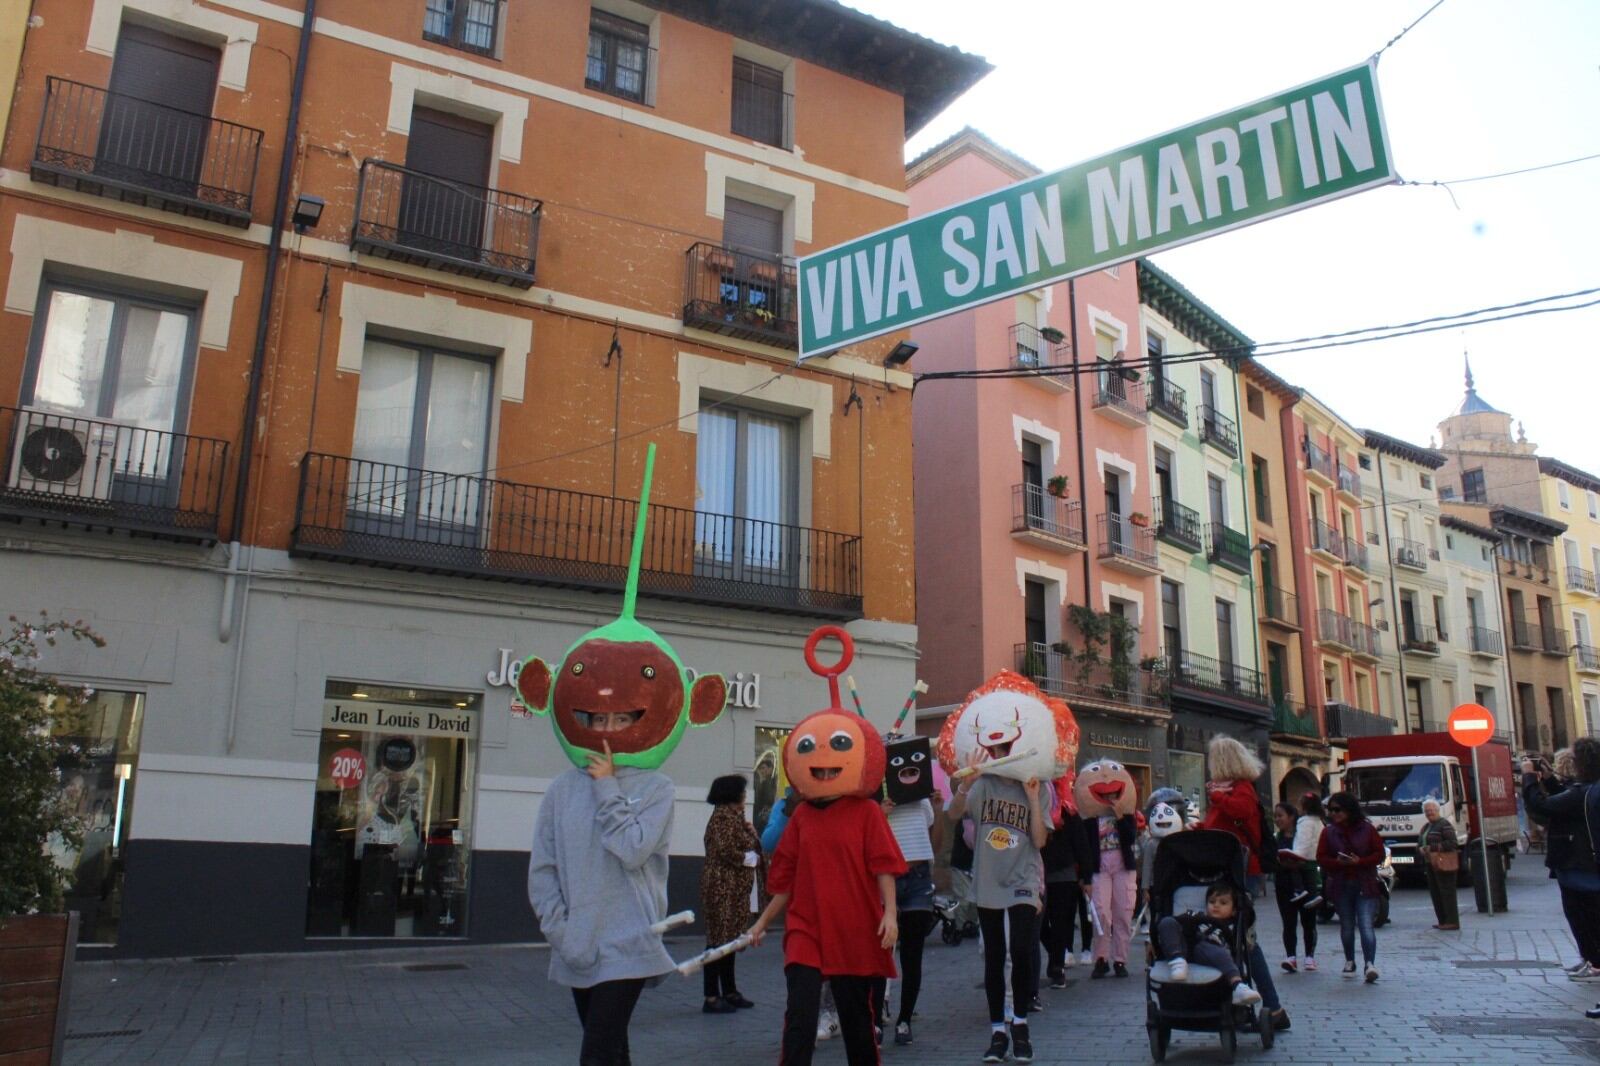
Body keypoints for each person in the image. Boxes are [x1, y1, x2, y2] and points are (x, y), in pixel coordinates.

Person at [948, 770, 1049, 1064]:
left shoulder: (1038, 786)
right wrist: (964, 787)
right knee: (994, 956)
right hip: (988, 879)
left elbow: (1040, 840)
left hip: (1023, 880)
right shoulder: (983, 786)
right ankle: (997, 1033)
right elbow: (954, 813)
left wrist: (1032, 798)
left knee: (1020, 949)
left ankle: (1020, 1026)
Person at [1197, 737, 1289, 1029]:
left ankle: (1273, 1006)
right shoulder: (1228, 791)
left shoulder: (1241, 790)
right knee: (1237, 938)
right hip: (1225, 869)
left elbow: (1240, 813)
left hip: (1240, 869)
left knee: (1246, 940)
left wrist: (1218, 798)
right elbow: (1217, 824)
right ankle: (1254, 1003)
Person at [1521, 739, 1600, 985]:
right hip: (1579, 861)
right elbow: (1564, 802)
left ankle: (1595, 961)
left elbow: (1542, 806)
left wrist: (1529, 779)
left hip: (1580, 863)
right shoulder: (1588, 790)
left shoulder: (1583, 792)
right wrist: (1548, 780)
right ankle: (1591, 958)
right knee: (1584, 914)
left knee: (1582, 915)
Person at [874, 791, 938, 1046]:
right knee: (881, 953)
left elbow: (936, 843)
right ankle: (876, 1022)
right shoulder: (877, 803)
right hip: (885, 877)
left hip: (917, 878)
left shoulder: (922, 801)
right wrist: (880, 814)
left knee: (912, 955)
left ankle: (904, 1020)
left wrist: (937, 807)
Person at [699, 774, 761, 1013]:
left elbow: (747, 842)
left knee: (729, 940)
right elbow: (725, 849)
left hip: (733, 888)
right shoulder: (722, 818)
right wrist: (747, 858)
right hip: (721, 887)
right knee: (717, 941)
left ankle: (730, 990)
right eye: (742, 792)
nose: (745, 796)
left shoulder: (735, 817)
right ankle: (711, 996)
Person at [1154, 883, 1263, 1006]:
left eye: (1223, 903)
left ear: (1233, 911)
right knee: (1167, 922)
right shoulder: (1198, 915)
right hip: (1183, 947)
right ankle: (1177, 960)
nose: (1216, 905)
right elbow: (1176, 922)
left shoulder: (1232, 925)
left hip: (1209, 951)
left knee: (1217, 951)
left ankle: (1238, 986)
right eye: (1212, 902)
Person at [1317, 791, 1385, 983]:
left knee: (1365, 924)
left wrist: (1360, 861)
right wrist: (1338, 862)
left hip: (1365, 882)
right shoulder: (1328, 832)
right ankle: (1349, 960)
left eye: (1337, 810)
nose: (1333, 814)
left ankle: (1369, 963)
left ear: (1349, 809)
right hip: (1341, 884)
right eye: (1330, 810)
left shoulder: (1367, 829)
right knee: (1346, 925)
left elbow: (1379, 854)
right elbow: (1321, 857)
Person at [1041, 803, 1094, 986]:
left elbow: (1082, 844)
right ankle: (1055, 953)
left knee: (1060, 923)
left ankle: (1057, 967)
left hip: (1063, 873)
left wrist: (1086, 878)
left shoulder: (1069, 811)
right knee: (1038, 924)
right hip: (1035, 872)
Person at [1272, 803, 1318, 974]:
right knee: (1288, 922)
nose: (1277, 819)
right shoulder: (1276, 837)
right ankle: (1291, 956)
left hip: (1306, 881)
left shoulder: (1304, 835)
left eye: (1280, 815)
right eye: (1275, 816)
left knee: (1308, 920)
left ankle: (1309, 956)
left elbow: (1313, 854)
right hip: (1284, 883)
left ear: (1291, 816)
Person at [1418, 798, 1460, 931]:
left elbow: (1453, 843)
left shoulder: (1444, 824)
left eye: (1432, 810)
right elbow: (1421, 842)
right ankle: (1442, 920)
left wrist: (1433, 847)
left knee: (1447, 892)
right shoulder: (1426, 826)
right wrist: (1419, 848)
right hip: (1431, 863)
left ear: (1437, 810)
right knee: (1436, 893)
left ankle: (1452, 921)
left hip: (1443, 863)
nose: (1429, 813)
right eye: (1427, 811)